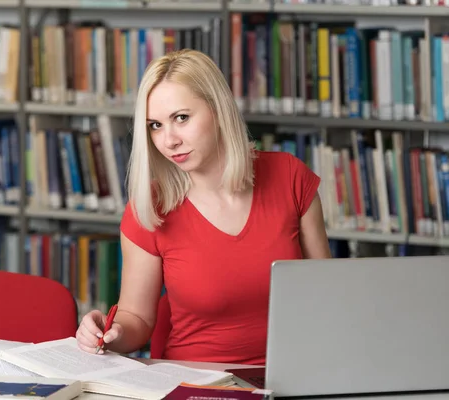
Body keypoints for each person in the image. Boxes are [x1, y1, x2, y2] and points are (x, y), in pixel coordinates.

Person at [76, 49, 331, 365]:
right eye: (155, 125)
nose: (169, 140)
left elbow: (326, 295)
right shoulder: (150, 208)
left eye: (181, 118)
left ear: (218, 109)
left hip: (297, 372)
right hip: (199, 381)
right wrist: (111, 333)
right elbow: (137, 319)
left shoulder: (290, 178)